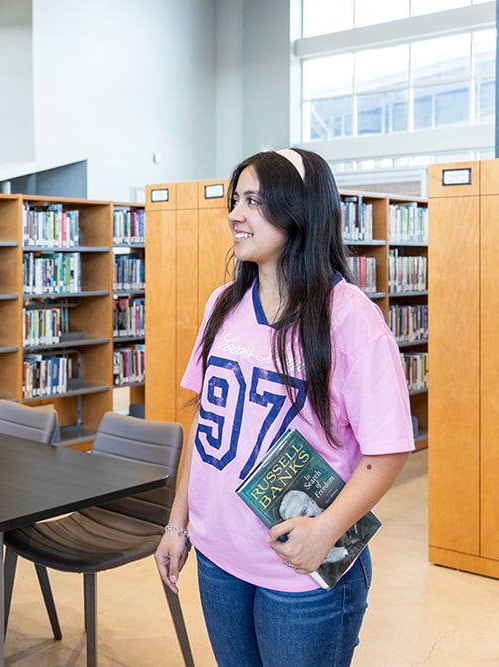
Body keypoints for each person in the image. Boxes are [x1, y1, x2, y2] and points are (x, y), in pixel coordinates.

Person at [154, 148, 413, 667]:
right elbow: (206, 423)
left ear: (298, 211)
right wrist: (178, 523)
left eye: (253, 201)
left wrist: (324, 531)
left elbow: (387, 452)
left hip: (299, 569)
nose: (234, 214)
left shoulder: (349, 318)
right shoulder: (222, 303)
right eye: (235, 200)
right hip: (217, 557)